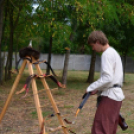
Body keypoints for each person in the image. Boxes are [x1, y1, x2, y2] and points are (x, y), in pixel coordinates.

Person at [86, 31, 125, 134]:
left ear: (98, 42)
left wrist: (90, 87)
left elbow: (108, 77)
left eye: (93, 45)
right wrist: (98, 88)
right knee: (109, 130)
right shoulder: (113, 52)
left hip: (110, 97)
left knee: (100, 130)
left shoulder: (106, 54)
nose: (93, 48)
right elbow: (112, 78)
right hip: (115, 96)